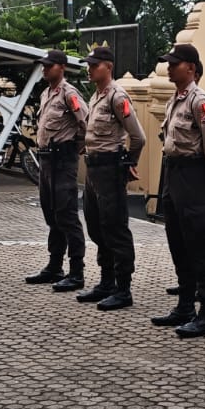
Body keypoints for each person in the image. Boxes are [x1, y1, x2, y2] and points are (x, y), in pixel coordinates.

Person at [151, 43, 205, 338]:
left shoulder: (200, 101)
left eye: (175, 64)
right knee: (178, 242)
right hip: (174, 174)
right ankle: (184, 306)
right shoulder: (174, 100)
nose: (169, 68)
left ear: (191, 68)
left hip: (195, 176)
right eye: (169, 63)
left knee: (201, 246)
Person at [75, 46, 144, 311]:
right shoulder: (96, 96)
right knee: (96, 227)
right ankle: (107, 282)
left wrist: (129, 163)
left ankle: (123, 289)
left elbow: (138, 137)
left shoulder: (117, 96)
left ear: (109, 67)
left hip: (110, 169)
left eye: (95, 65)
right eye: (89, 65)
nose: (90, 69)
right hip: (93, 169)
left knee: (115, 229)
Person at [24, 49, 89, 291]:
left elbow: (86, 123)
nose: (44, 69)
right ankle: (54, 266)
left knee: (67, 215)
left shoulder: (69, 93)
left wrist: (75, 148)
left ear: (62, 67)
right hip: (47, 161)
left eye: (49, 65)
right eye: (43, 65)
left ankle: (77, 272)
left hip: (63, 160)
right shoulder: (46, 93)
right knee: (51, 214)